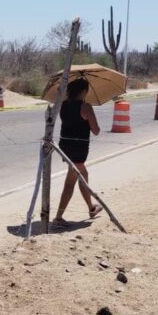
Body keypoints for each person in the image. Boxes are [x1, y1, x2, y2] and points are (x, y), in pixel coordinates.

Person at [53, 78, 103, 226]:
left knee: (83, 176)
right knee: (70, 183)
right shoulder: (86, 107)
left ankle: (91, 207)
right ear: (83, 92)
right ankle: (58, 217)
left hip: (65, 146)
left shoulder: (63, 105)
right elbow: (96, 131)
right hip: (78, 149)